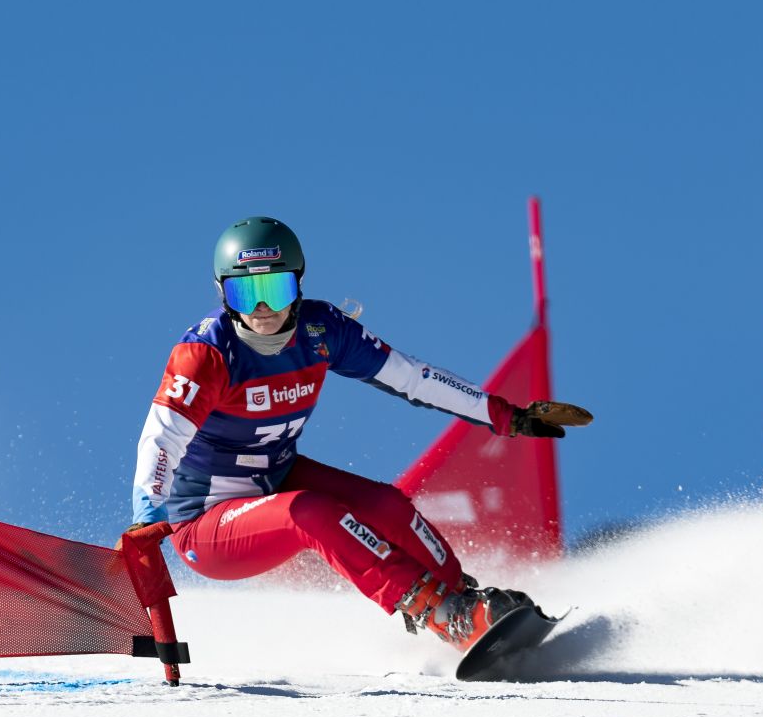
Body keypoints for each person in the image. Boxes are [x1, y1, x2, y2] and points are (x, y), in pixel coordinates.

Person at [128, 216, 591, 652]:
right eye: (246, 294)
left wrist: (506, 415)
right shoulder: (207, 353)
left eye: (276, 287)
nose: (264, 308)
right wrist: (148, 515)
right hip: (207, 524)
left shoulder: (320, 329)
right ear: (223, 294)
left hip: (274, 477)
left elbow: (413, 378)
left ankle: (466, 602)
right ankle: (442, 615)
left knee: (387, 506)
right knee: (311, 511)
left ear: (299, 284)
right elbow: (162, 436)